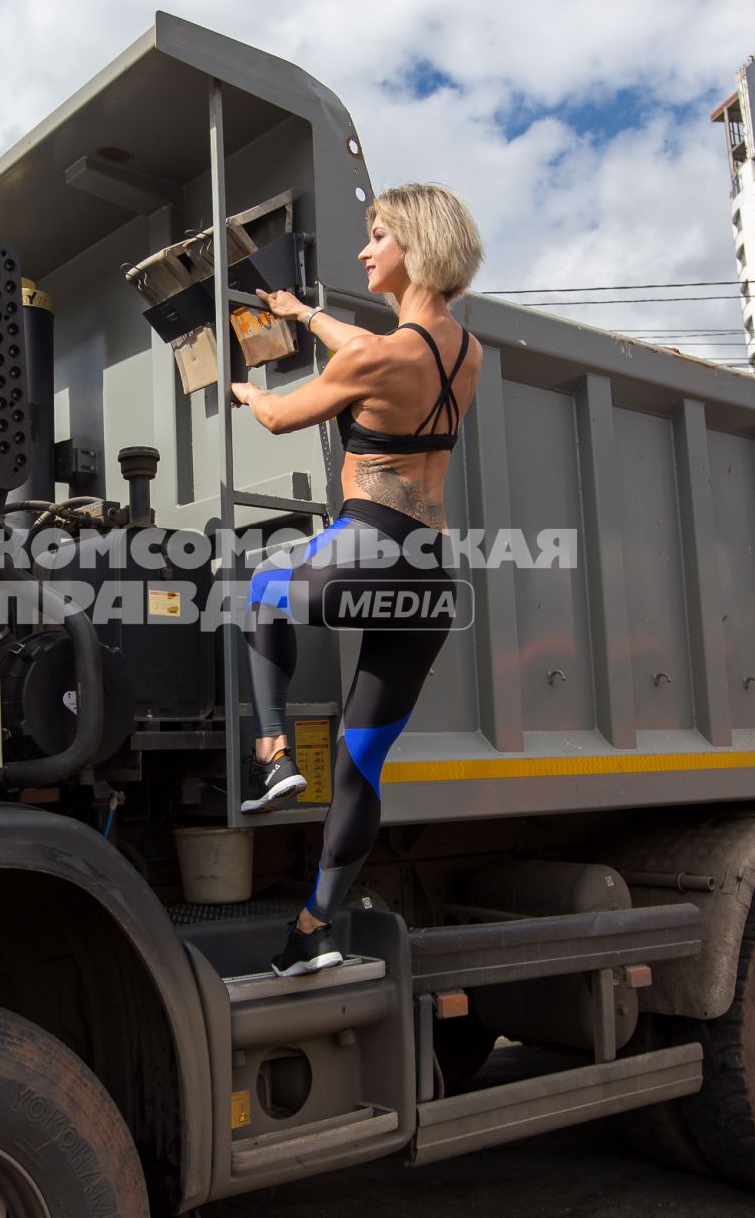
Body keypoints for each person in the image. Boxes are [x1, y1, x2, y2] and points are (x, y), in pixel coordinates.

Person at [229, 183, 484, 977]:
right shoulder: (464, 351)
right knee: (359, 766)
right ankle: (313, 933)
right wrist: (302, 314)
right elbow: (370, 348)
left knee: (257, 593)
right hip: (428, 578)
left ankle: (272, 756)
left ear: (416, 244)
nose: (366, 249)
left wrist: (238, 383)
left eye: (379, 236)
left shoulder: (377, 356)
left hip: (366, 547)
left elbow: (277, 417)